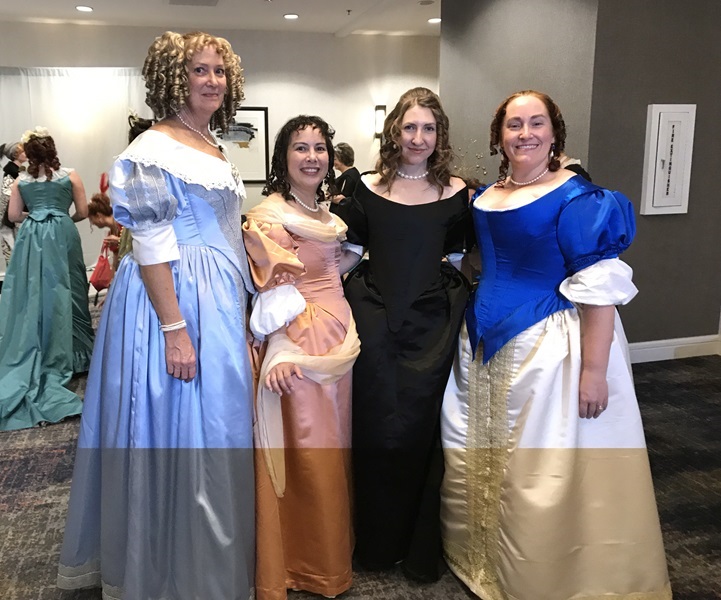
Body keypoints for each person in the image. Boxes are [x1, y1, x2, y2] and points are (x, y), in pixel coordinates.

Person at [440, 90, 671, 600]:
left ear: (554, 132)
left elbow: (599, 291)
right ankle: (481, 559)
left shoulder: (578, 198)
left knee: (539, 464)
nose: (525, 134)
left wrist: (594, 370)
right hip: (480, 341)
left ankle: (541, 576)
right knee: (476, 446)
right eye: (514, 124)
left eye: (536, 123)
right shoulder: (486, 195)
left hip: (550, 345)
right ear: (499, 134)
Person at [57, 31, 256, 600]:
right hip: (171, 300)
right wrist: (174, 330)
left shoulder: (208, 142)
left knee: (214, 425)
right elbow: (151, 244)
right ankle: (171, 567)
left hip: (213, 298)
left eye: (220, 70)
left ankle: (200, 559)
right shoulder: (150, 149)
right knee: (178, 427)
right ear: (173, 77)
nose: (213, 80)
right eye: (199, 70)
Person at [335, 87, 471, 582]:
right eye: (410, 127)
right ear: (394, 130)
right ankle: (373, 542)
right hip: (373, 320)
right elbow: (348, 255)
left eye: (428, 128)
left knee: (419, 431)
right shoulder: (366, 188)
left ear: (440, 135)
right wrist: (305, 280)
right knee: (373, 427)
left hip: (431, 327)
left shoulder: (458, 193)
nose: (418, 137)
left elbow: (457, 261)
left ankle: (417, 548)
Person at [243, 115, 361, 600]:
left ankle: (327, 554)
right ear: (282, 157)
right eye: (300, 147)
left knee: (332, 453)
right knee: (309, 456)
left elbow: (336, 266)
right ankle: (303, 564)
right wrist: (283, 350)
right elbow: (272, 290)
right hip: (301, 342)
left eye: (319, 147)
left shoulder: (328, 215)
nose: (312, 156)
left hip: (338, 340)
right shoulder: (269, 217)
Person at [0, 128, 94, 431]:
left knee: (33, 293)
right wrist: (60, 216)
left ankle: (35, 346)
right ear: (53, 150)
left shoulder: (20, 181)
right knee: (72, 290)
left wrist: (36, 215)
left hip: (32, 239)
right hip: (63, 235)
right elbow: (82, 211)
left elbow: (14, 216)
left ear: (29, 153)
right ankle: (78, 356)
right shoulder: (71, 175)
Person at [0, 140, 26, 264]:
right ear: (16, 154)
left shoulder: (18, 172)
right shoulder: (12, 174)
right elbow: (7, 198)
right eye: (23, 151)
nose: (26, 154)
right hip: (15, 218)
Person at [88, 190, 123, 272]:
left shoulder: (123, 223)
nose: (92, 223)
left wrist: (120, 241)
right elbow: (115, 260)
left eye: (91, 219)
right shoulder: (112, 231)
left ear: (98, 216)